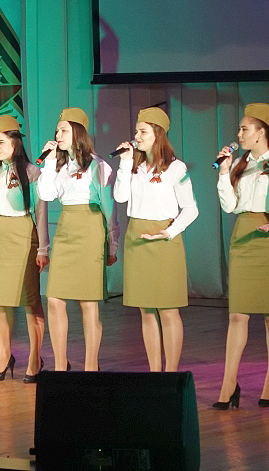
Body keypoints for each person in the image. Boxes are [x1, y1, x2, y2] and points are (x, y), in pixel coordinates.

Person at [213, 103, 269, 409]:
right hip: (244, 233)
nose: (239, 134)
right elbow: (230, 206)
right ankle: (228, 384)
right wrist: (224, 171)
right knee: (237, 314)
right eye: (239, 129)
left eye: (244, 129)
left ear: (262, 132)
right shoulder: (240, 163)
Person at [113, 107, 198, 372]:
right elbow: (119, 198)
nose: (137, 136)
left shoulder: (176, 168)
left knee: (168, 310)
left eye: (143, 131)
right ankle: (154, 372)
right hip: (137, 237)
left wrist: (170, 231)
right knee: (146, 310)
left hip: (164, 240)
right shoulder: (133, 167)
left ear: (157, 134)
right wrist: (125, 163)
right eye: (136, 131)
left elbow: (191, 209)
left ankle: (170, 373)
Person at [37, 108, 118, 372]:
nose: (58, 135)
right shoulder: (58, 165)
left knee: (88, 302)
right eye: (57, 130)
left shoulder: (97, 165)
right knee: (54, 299)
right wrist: (49, 163)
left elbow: (109, 207)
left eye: (64, 130)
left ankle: (91, 366)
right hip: (66, 228)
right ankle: (61, 365)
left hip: (90, 227)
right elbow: (46, 194)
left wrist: (112, 242)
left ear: (78, 133)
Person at [0, 115, 49, 382]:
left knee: (30, 301)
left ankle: (34, 358)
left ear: (15, 143)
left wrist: (43, 248)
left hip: (22, 235)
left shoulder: (32, 171)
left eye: (1, 142)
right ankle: (4, 357)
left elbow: (40, 213)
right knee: (2, 301)